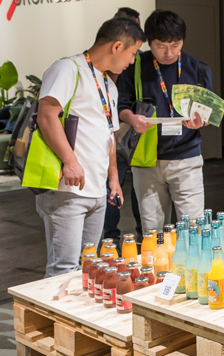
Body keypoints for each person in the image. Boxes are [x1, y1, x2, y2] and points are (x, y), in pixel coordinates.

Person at [34, 18, 145, 278]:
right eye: (132, 54)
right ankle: (56, 318)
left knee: (87, 266)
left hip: (96, 190)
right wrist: (70, 161)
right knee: (64, 268)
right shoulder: (67, 69)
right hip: (67, 190)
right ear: (117, 47)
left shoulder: (109, 85)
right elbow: (47, 116)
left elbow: (109, 135)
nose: (132, 61)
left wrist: (114, 179)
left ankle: (77, 319)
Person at [117, 10, 210, 233]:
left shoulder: (197, 69)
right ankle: (157, 268)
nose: (169, 52)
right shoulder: (134, 66)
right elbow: (120, 105)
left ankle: (190, 267)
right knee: (153, 230)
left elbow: (209, 113)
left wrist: (201, 122)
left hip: (186, 159)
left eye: (175, 45)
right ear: (149, 42)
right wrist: (131, 118)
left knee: (193, 228)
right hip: (147, 160)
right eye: (161, 46)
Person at [104, 6, 144, 241]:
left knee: (125, 186)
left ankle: (114, 238)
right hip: (122, 134)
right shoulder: (117, 59)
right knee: (116, 185)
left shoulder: (129, 58)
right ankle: (114, 238)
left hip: (127, 132)